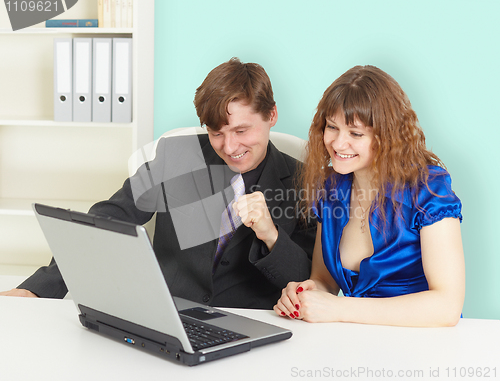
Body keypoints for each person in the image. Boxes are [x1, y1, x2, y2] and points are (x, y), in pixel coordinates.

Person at [0, 58, 316, 309]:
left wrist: (270, 234)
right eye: (216, 132)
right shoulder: (178, 157)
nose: (230, 146)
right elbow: (106, 220)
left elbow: (306, 279)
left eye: (241, 131)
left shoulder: (307, 182)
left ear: (271, 115)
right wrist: (36, 290)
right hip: (170, 318)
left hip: (257, 329)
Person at [273, 65, 465, 326]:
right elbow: (325, 281)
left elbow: (447, 307)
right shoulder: (330, 188)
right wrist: (302, 294)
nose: (338, 144)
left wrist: (340, 309)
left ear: (386, 136)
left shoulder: (428, 189)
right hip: (357, 344)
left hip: (424, 348)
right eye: (332, 127)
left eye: (355, 133)